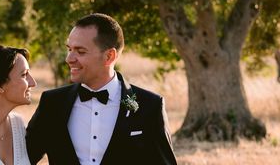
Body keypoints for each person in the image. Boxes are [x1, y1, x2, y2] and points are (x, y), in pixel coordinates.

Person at [26, 13, 177, 165]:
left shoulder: (150, 106)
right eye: (69, 49)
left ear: (109, 56)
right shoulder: (52, 103)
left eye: (80, 51)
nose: (69, 58)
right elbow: (23, 159)